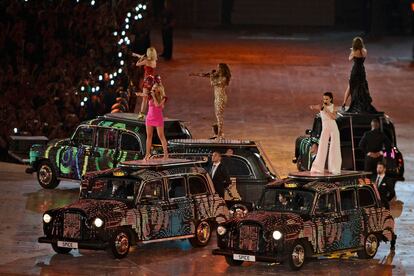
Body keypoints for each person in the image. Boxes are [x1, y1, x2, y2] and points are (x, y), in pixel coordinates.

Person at [190, 63, 231, 139]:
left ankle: (219, 135)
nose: (217, 69)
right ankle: (219, 133)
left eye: (219, 68)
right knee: (217, 115)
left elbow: (213, 83)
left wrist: (212, 76)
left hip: (221, 98)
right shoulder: (218, 76)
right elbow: (205, 75)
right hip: (217, 98)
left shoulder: (223, 78)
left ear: (222, 69)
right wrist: (195, 74)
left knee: (219, 116)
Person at [309, 92, 342, 174]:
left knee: (334, 148)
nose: (325, 100)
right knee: (322, 147)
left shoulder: (333, 107)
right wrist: (313, 107)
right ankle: (318, 168)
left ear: (331, 99)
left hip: (333, 128)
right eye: (324, 99)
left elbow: (334, 117)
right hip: (325, 129)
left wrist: (327, 110)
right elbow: (314, 107)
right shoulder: (321, 106)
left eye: (327, 99)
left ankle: (334, 168)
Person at [342, 37, 377, 113]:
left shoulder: (354, 51)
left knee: (350, 86)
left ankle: (344, 103)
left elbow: (349, 59)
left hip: (355, 71)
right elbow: (363, 56)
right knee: (362, 87)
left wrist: (352, 51)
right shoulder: (364, 51)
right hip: (361, 71)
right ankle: (362, 104)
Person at [137, 80, 168, 160]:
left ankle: (166, 155)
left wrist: (154, 96)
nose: (152, 90)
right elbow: (144, 95)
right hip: (149, 118)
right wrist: (139, 94)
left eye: (154, 89)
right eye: (152, 88)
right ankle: (147, 154)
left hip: (158, 118)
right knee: (149, 136)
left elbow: (158, 105)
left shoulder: (163, 98)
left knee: (161, 136)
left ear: (158, 90)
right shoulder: (150, 96)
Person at [133, 47, 158, 120]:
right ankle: (151, 114)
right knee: (149, 98)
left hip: (147, 80)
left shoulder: (147, 61)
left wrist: (140, 58)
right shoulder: (154, 61)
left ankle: (141, 115)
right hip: (152, 80)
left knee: (144, 99)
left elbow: (137, 64)